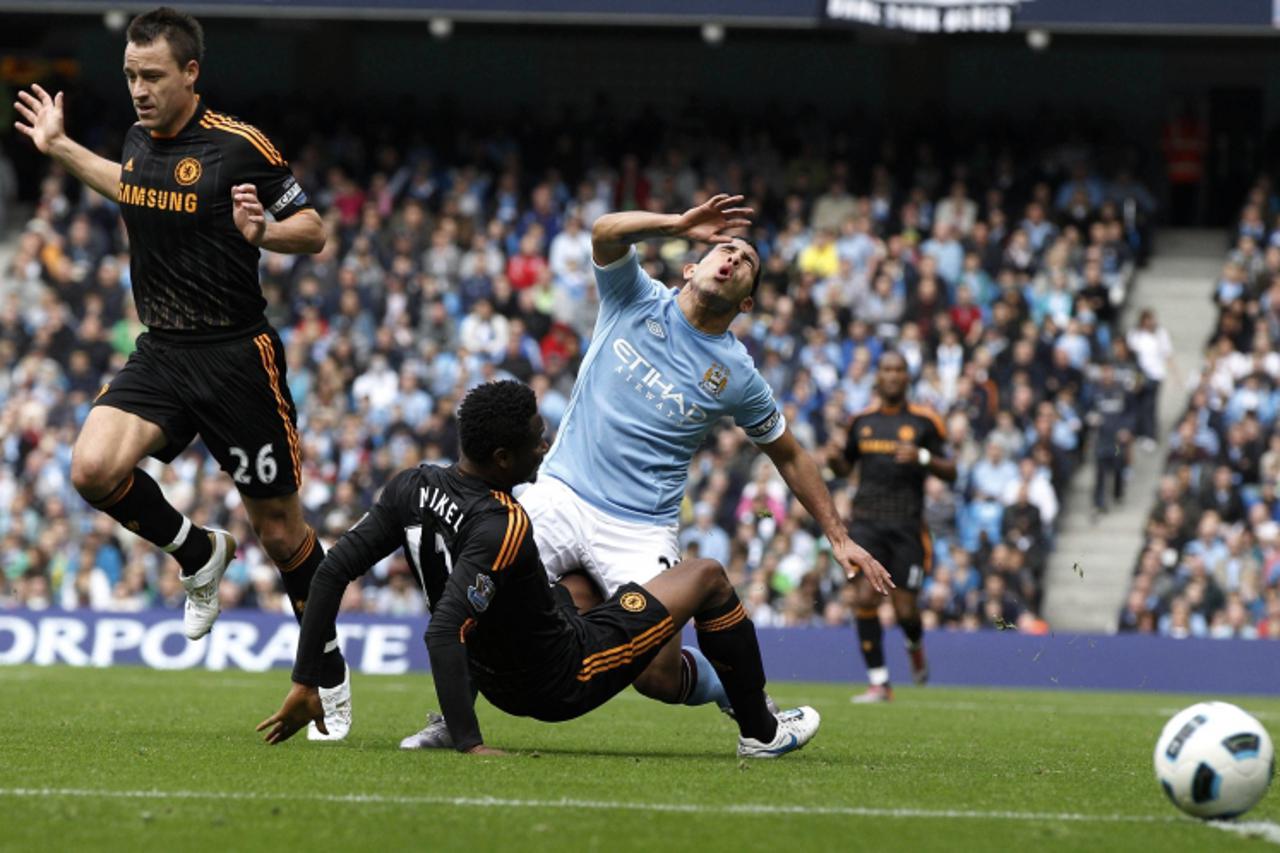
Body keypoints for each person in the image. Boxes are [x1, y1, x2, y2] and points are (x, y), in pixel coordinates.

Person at [399, 194, 890, 748]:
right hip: (559, 493)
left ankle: (741, 703)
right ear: (692, 265)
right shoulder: (634, 297)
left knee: (657, 676)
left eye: (745, 262)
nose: (731, 259)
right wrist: (676, 223)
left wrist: (838, 536)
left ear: (747, 301)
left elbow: (791, 454)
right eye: (724, 249)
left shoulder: (737, 374)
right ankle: (452, 717)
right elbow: (605, 231)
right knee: (482, 581)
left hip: (639, 527)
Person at [11, 7, 351, 738]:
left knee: (283, 533)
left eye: (153, 75)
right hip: (163, 352)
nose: (139, 88)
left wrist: (265, 231)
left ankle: (325, 673)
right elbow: (131, 185)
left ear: (191, 73)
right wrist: (62, 147)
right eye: (131, 74)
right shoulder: (138, 139)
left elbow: (315, 231)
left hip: (237, 357)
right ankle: (197, 551)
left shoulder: (239, 145)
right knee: (92, 468)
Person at [257, 380, 820, 758]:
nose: (545, 445)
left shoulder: (412, 483)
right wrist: (471, 744)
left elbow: (328, 575)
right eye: (535, 439)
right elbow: (443, 630)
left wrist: (309, 678)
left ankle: (728, 693)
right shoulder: (504, 523)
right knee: (708, 576)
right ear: (503, 459)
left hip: (504, 666)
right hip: (563, 676)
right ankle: (762, 732)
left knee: (573, 584)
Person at [827, 351, 956, 702]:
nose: (893, 375)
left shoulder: (924, 421)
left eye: (899, 369)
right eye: (886, 369)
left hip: (907, 527)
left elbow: (952, 470)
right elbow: (843, 468)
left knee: (905, 611)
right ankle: (879, 683)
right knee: (864, 598)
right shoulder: (861, 421)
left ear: (907, 377)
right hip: (867, 524)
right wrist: (834, 458)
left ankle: (914, 644)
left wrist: (924, 457)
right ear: (878, 377)